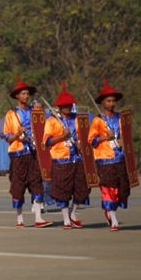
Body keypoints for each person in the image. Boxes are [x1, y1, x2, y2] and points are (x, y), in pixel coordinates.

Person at [3, 77, 51, 228]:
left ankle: (38, 217)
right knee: (18, 185)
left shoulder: (35, 112)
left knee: (37, 183)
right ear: (17, 96)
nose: (26, 96)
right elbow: (7, 138)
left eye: (27, 93)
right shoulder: (11, 114)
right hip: (18, 154)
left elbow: (42, 129)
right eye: (23, 93)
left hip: (33, 152)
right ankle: (20, 218)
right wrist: (18, 134)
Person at [43, 81, 91, 229]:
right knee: (62, 190)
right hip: (61, 158)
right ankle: (65, 219)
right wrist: (62, 136)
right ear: (58, 107)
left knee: (83, 187)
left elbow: (85, 137)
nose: (68, 108)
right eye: (65, 106)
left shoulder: (78, 119)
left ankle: (73, 212)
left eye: (70, 105)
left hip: (77, 158)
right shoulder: (52, 121)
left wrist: (81, 143)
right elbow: (47, 141)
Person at [88, 78, 131, 231]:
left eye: (113, 101)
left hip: (119, 157)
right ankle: (113, 218)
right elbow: (91, 140)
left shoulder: (120, 118)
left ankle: (110, 210)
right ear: (103, 103)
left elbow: (127, 136)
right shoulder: (98, 120)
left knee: (121, 188)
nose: (111, 103)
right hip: (104, 159)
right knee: (109, 188)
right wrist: (106, 137)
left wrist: (121, 140)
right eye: (108, 101)